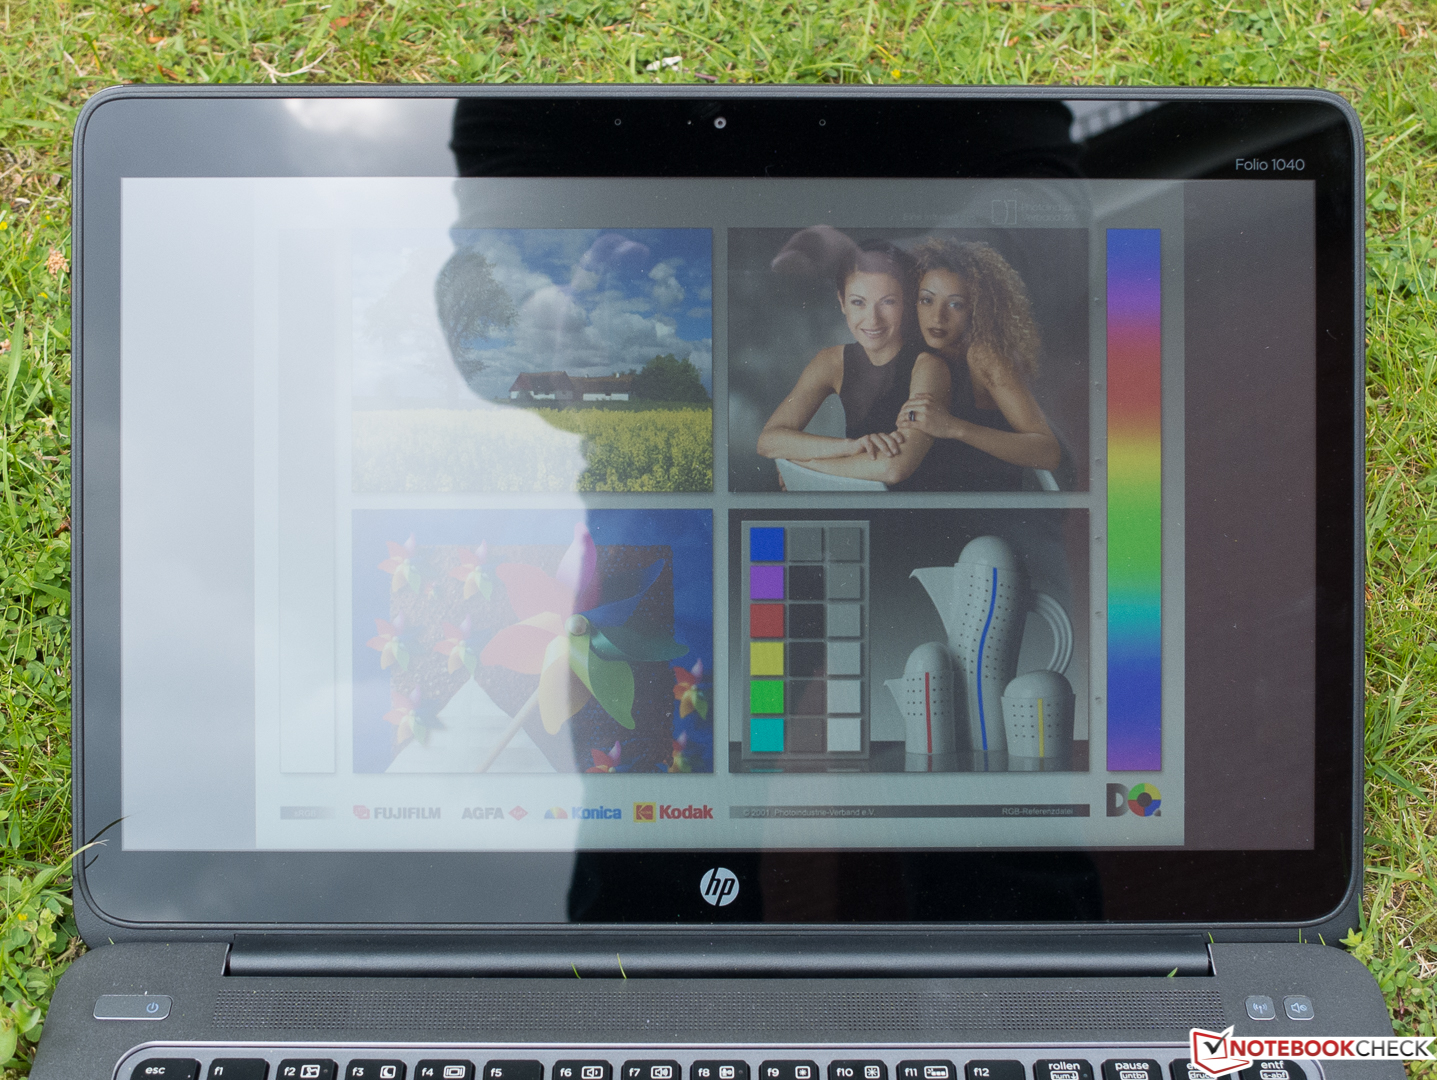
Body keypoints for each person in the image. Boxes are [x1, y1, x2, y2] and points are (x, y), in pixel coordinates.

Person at [756, 239, 949, 487]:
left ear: (906, 302)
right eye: (858, 302)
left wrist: (804, 465)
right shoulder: (831, 361)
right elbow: (768, 441)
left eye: (888, 301)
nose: (873, 319)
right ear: (842, 302)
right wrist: (850, 447)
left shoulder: (928, 367)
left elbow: (893, 468)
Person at [894, 238, 1061, 491]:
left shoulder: (984, 355)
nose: (938, 317)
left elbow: (1049, 453)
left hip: (999, 496)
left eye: (955, 304)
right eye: (927, 300)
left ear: (977, 309)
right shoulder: (918, 349)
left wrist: (953, 427)